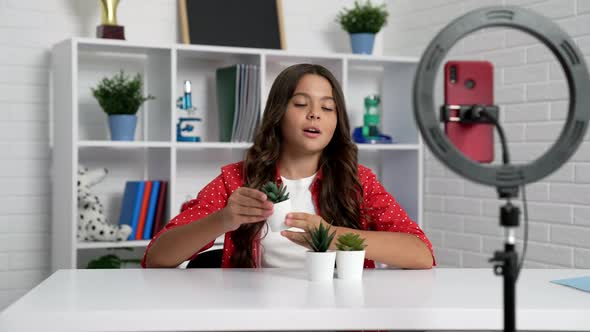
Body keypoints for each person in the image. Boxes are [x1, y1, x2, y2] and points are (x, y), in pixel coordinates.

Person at [142, 64, 435, 269]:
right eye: (300, 104)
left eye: (327, 108)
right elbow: (156, 257)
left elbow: (422, 254)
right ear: (278, 114)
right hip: (260, 320)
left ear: (337, 121)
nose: (314, 115)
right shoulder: (237, 179)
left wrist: (334, 236)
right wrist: (223, 219)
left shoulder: (358, 181)